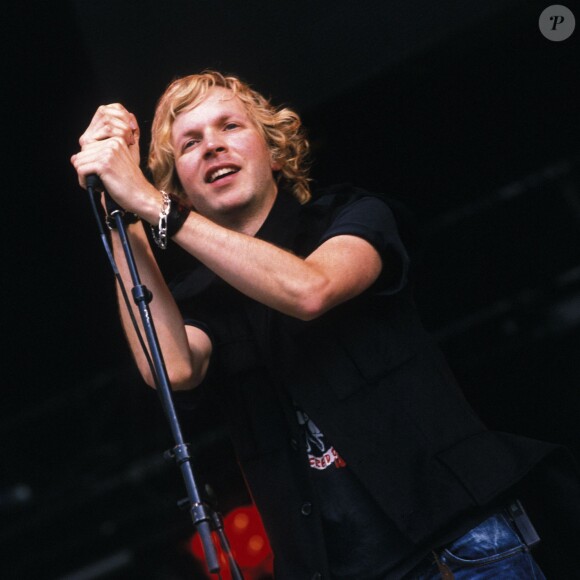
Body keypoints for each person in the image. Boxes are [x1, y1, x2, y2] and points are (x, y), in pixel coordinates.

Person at [71, 70, 573, 579]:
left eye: (230, 127)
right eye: (191, 143)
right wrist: (121, 211)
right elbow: (172, 368)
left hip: (458, 548)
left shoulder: (351, 216)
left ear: (274, 149)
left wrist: (158, 207)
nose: (212, 147)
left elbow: (310, 290)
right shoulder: (200, 299)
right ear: (179, 181)